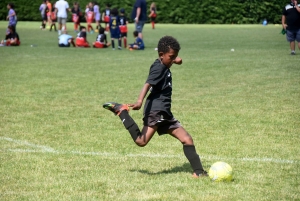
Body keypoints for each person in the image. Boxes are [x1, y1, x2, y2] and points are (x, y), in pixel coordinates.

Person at [103, 36, 208, 178]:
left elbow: (175, 59)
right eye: (171, 57)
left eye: (174, 56)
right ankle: (122, 112)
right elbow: (147, 84)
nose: (173, 60)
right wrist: (139, 101)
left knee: (187, 139)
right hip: (156, 111)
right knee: (141, 141)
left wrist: (176, 59)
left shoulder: (164, 62)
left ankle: (198, 172)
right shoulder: (159, 68)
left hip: (165, 112)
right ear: (161, 55)